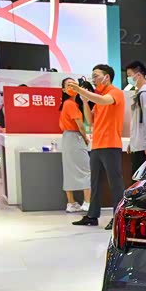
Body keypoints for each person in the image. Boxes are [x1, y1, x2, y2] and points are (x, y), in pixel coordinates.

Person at [66, 64, 125, 229]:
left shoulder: (115, 93)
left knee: (115, 184)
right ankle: (92, 215)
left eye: (96, 76)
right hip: (97, 145)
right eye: (92, 76)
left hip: (111, 144)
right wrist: (85, 102)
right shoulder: (99, 97)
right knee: (95, 183)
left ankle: (119, 218)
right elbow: (90, 121)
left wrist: (81, 91)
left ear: (107, 77)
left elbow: (103, 101)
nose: (94, 79)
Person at [58, 78, 91, 213]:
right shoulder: (70, 104)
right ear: (64, 89)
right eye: (69, 85)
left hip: (67, 138)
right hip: (75, 137)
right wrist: (85, 138)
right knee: (86, 169)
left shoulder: (67, 104)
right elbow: (80, 125)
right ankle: (87, 202)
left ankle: (71, 203)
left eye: (75, 84)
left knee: (69, 170)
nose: (72, 87)